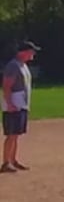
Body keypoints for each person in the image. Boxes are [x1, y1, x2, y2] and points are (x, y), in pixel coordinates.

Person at [2, 40, 37, 173]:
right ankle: (6, 163)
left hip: (21, 104)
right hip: (14, 105)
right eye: (31, 51)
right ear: (23, 52)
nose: (33, 54)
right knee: (11, 134)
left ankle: (13, 160)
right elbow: (6, 86)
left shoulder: (23, 65)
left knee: (16, 134)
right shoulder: (13, 66)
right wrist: (10, 104)